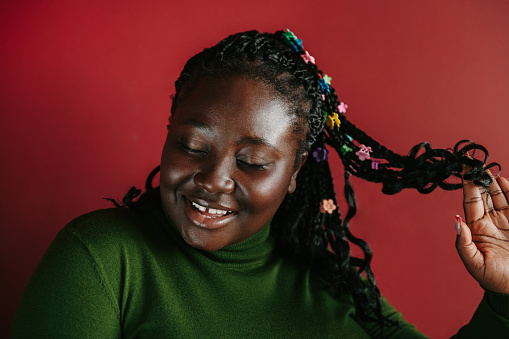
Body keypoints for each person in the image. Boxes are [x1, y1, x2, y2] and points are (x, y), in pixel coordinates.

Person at [11, 29, 509, 338]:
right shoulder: (103, 259)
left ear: (294, 176)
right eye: (191, 146)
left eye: (252, 161)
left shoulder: (333, 287)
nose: (213, 180)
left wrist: (504, 301)